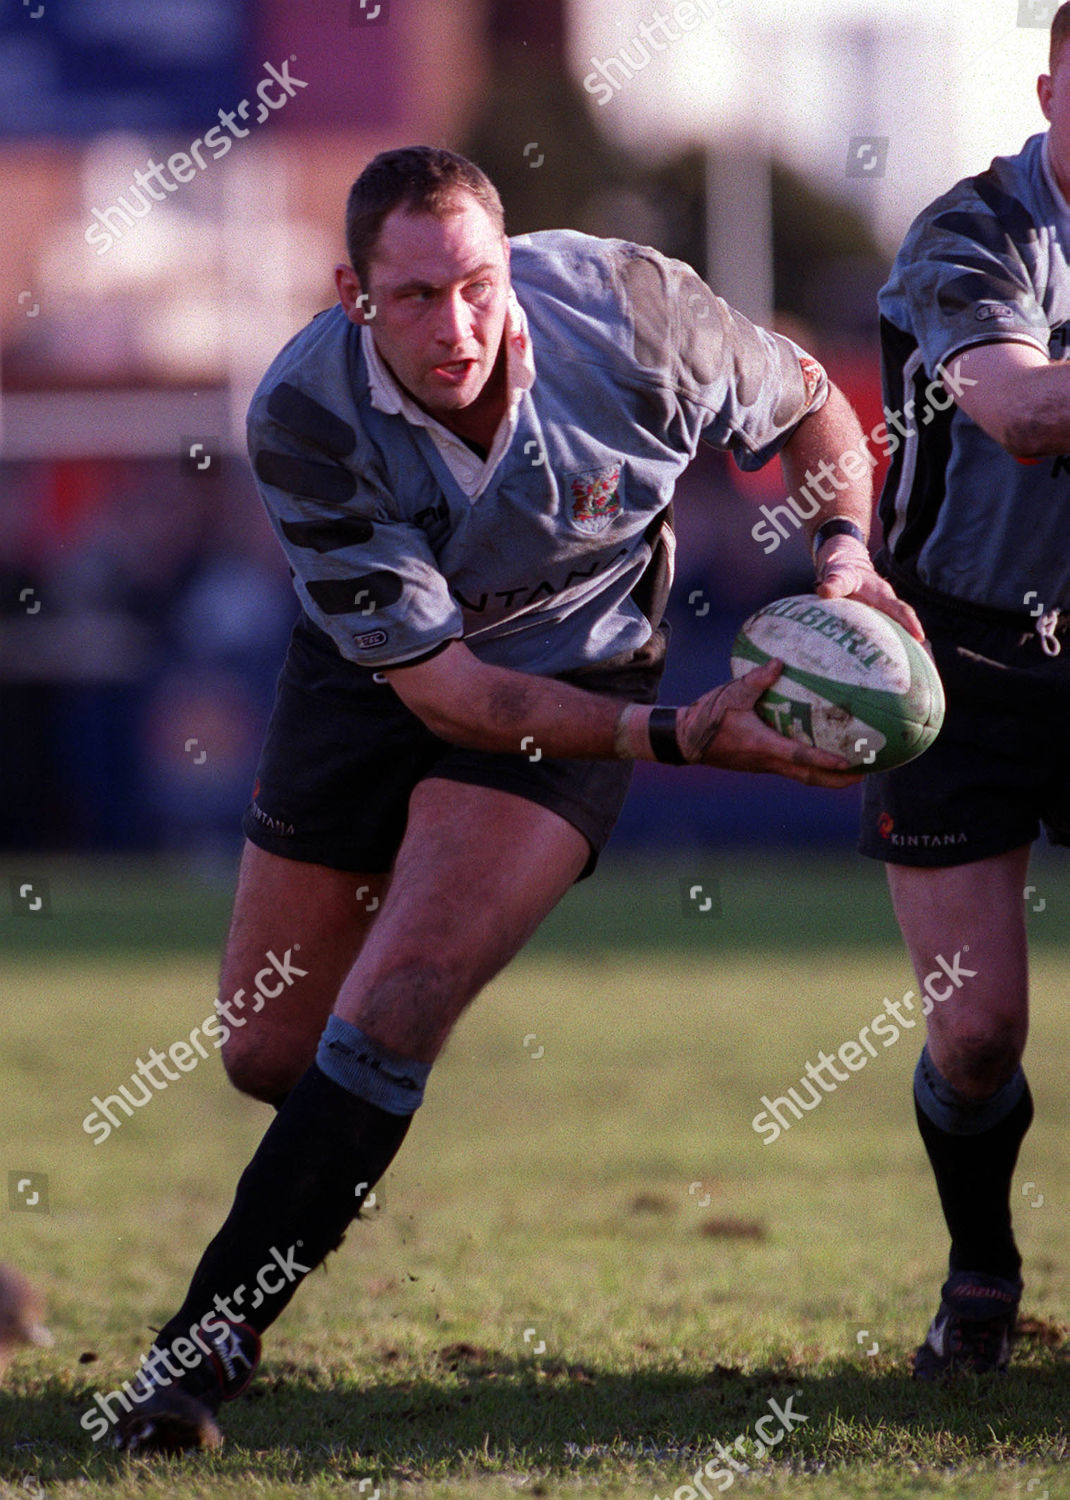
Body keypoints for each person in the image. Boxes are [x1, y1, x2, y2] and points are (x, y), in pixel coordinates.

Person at [104, 145, 917, 1452]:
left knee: (398, 998)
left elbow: (814, 411)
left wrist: (839, 557)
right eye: (414, 296)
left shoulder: (634, 316)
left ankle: (198, 1352)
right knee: (270, 1052)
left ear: (510, 269)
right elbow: (452, 700)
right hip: (384, 683)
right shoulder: (305, 413)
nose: (457, 324)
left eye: (476, 284)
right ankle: (356, 1116)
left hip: (585, 674)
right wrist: (685, 737)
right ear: (354, 295)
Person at [860, 6, 1070, 1379]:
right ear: (1053, 85)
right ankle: (980, 1269)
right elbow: (1023, 412)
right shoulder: (971, 231)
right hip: (958, 659)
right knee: (977, 1026)